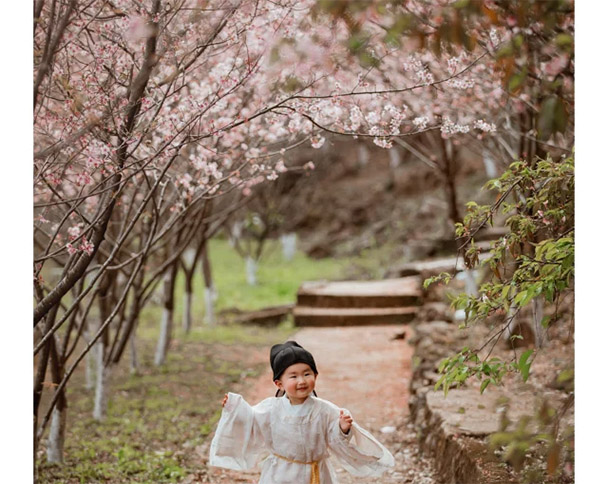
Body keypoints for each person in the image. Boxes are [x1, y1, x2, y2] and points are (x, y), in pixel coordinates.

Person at [208, 340, 395, 483]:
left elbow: (334, 441)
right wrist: (234, 408)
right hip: (280, 474)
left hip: (317, 474)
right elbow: (251, 421)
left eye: (307, 373)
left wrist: (342, 428)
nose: (301, 381)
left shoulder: (324, 410)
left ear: (316, 375)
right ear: (279, 383)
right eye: (293, 376)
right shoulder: (271, 408)